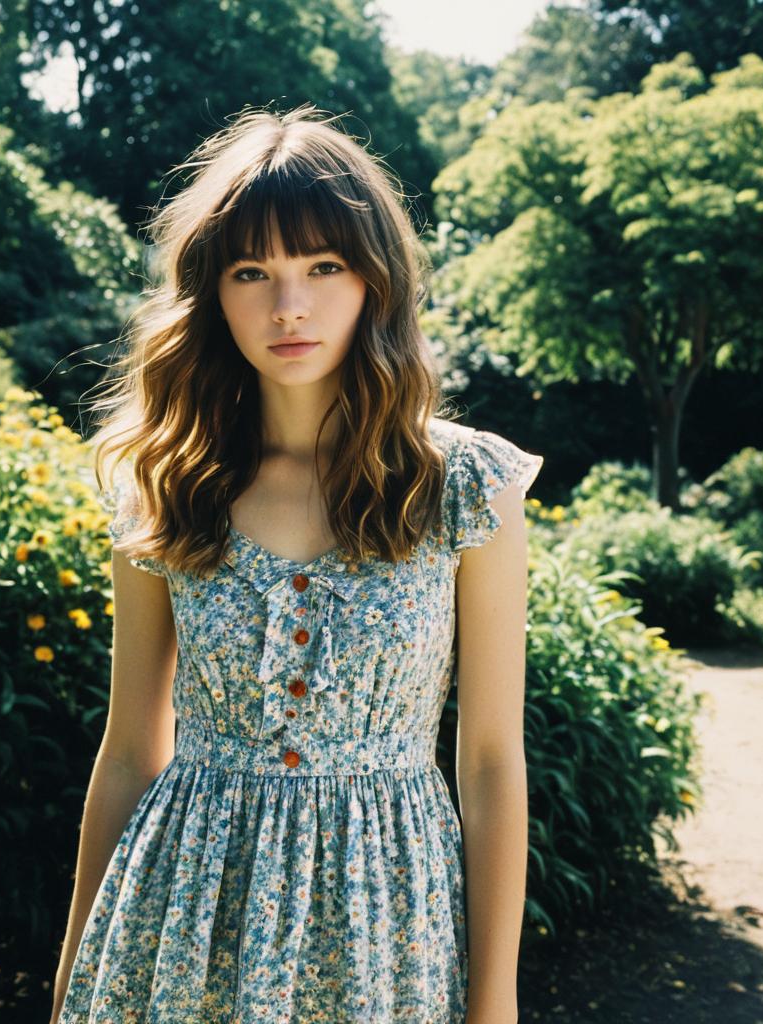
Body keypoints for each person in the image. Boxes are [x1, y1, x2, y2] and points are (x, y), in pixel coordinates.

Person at [51, 103, 543, 1024]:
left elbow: (487, 763)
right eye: (253, 272)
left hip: (387, 927)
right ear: (212, 293)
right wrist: (76, 974)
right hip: (180, 917)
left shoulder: (466, 485)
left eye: (324, 266)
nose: (289, 306)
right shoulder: (169, 483)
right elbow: (128, 751)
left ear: (375, 281)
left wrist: (496, 999)